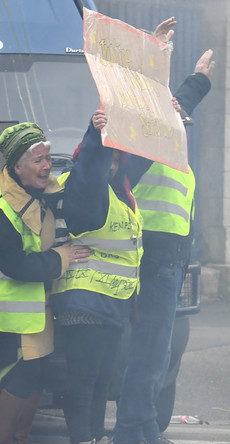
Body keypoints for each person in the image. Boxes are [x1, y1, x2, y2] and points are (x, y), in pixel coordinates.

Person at [112, 27, 215, 444]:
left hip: (167, 251)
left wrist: (196, 82)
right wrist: (157, 55)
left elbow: (172, 105)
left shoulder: (164, 124)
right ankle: (133, 433)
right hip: (152, 250)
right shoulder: (146, 125)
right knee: (150, 352)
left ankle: (142, 428)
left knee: (156, 353)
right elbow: (151, 94)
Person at [0, 122, 91, 444]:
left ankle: (20, 437)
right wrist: (63, 257)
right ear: (16, 167)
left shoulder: (44, 192)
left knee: (39, 377)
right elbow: (16, 266)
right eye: (38, 160)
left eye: (47, 157)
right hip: (9, 314)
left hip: (36, 308)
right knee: (21, 379)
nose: (47, 165)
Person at [51, 109, 142, 444]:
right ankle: (83, 439)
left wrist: (181, 107)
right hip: (85, 301)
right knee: (84, 379)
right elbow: (90, 165)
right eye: (110, 160)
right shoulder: (85, 186)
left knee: (102, 379)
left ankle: (95, 436)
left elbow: (142, 158)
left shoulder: (118, 191)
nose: (114, 165)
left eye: (117, 160)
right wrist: (95, 134)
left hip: (111, 302)